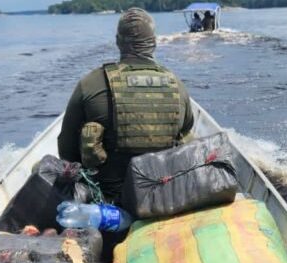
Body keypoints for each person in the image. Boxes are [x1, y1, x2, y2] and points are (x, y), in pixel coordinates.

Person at [57, 8, 194, 202]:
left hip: (107, 200)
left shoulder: (90, 83)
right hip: (163, 197)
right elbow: (186, 133)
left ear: (118, 42)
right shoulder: (177, 86)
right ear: (154, 43)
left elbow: (66, 148)